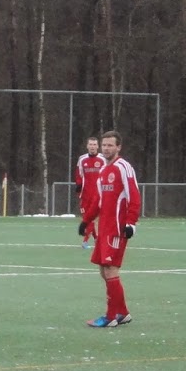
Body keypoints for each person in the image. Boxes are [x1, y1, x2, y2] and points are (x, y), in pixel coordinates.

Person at [79, 130, 140, 327]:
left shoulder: (123, 167)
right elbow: (98, 201)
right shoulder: (103, 171)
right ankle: (122, 312)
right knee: (103, 271)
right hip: (103, 228)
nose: (106, 148)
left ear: (118, 147)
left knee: (111, 269)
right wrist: (86, 220)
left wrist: (131, 223)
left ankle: (110, 316)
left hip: (117, 228)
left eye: (110, 145)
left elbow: (134, 196)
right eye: (104, 145)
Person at [74, 135, 105, 253]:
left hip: (98, 195)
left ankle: (85, 241)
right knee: (87, 218)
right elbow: (78, 174)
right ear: (87, 146)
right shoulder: (82, 159)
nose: (92, 147)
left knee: (92, 219)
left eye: (94, 144)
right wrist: (78, 184)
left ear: (98, 146)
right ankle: (97, 240)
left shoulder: (103, 159)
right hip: (85, 195)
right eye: (90, 144)